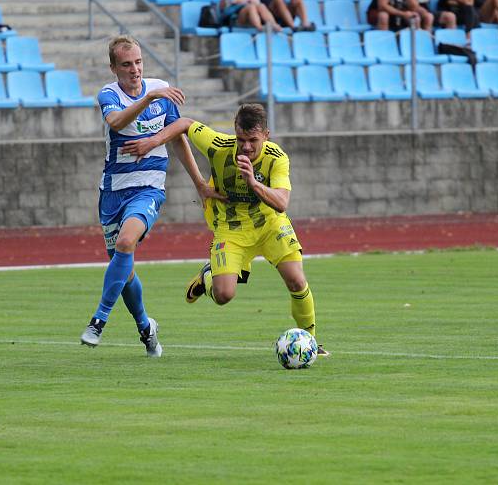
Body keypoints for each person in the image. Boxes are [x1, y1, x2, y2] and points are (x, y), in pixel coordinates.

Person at [123, 104, 330, 357]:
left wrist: (253, 183)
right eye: (241, 139)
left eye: (253, 140)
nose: (246, 147)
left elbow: (281, 202)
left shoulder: (277, 158)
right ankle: (207, 278)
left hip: (269, 224)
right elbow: (185, 124)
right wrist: (153, 143)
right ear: (234, 131)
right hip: (231, 229)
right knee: (223, 295)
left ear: (266, 134)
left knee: (297, 280)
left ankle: (311, 342)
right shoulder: (219, 145)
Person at [80, 35, 223, 355]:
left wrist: (199, 182)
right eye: (127, 64)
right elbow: (116, 122)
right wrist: (146, 100)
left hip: (148, 189)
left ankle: (98, 322)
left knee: (126, 243)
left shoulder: (161, 90)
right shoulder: (109, 94)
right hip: (112, 192)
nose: (135, 70)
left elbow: (177, 138)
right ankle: (146, 327)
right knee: (124, 268)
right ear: (114, 67)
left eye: (139, 62)